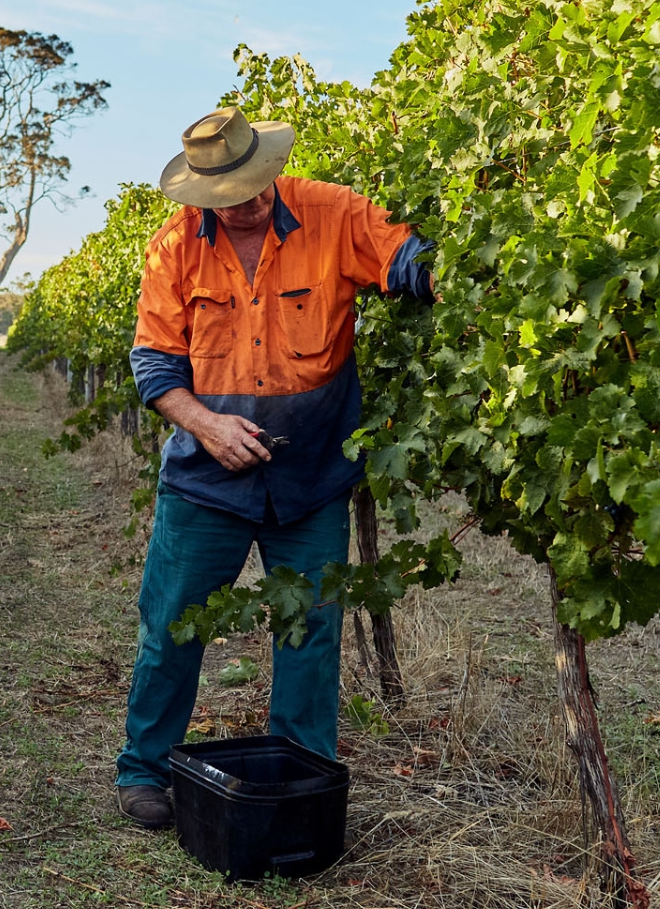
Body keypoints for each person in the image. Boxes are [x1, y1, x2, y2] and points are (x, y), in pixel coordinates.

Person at [115, 108, 435, 829]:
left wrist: (454, 275)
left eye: (259, 184)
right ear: (202, 195)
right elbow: (154, 364)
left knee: (310, 634)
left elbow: (405, 260)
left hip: (312, 477)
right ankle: (143, 770)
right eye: (231, 196)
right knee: (171, 626)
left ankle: (299, 780)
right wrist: (205, 424)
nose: (251, 202)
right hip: (205, 480)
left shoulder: (335, 212)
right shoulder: (174, 249)